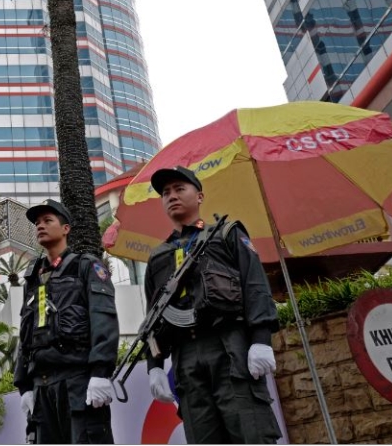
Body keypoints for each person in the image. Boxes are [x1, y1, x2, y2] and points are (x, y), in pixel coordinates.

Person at [144, 166, 281, 443]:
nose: (172, 196)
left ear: (200, 196)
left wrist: (261, 339)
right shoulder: (158, 257)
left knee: (250, 430)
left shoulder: (226, 233)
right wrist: (154, 365)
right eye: (166, 193)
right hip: (186, 358)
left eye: (180, 189)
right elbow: (153, 317)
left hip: (229, 347)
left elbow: (254, 286)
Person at [14, 199, 119, 444]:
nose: (40, 225)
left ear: (65, 229)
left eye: (48, 220)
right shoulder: (33, 278)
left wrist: (100, 372)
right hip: (42, 389)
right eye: (37, 222)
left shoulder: (86, 266)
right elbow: (26, 332)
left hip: (78, 382)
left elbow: (103, 317)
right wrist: (25, 386)